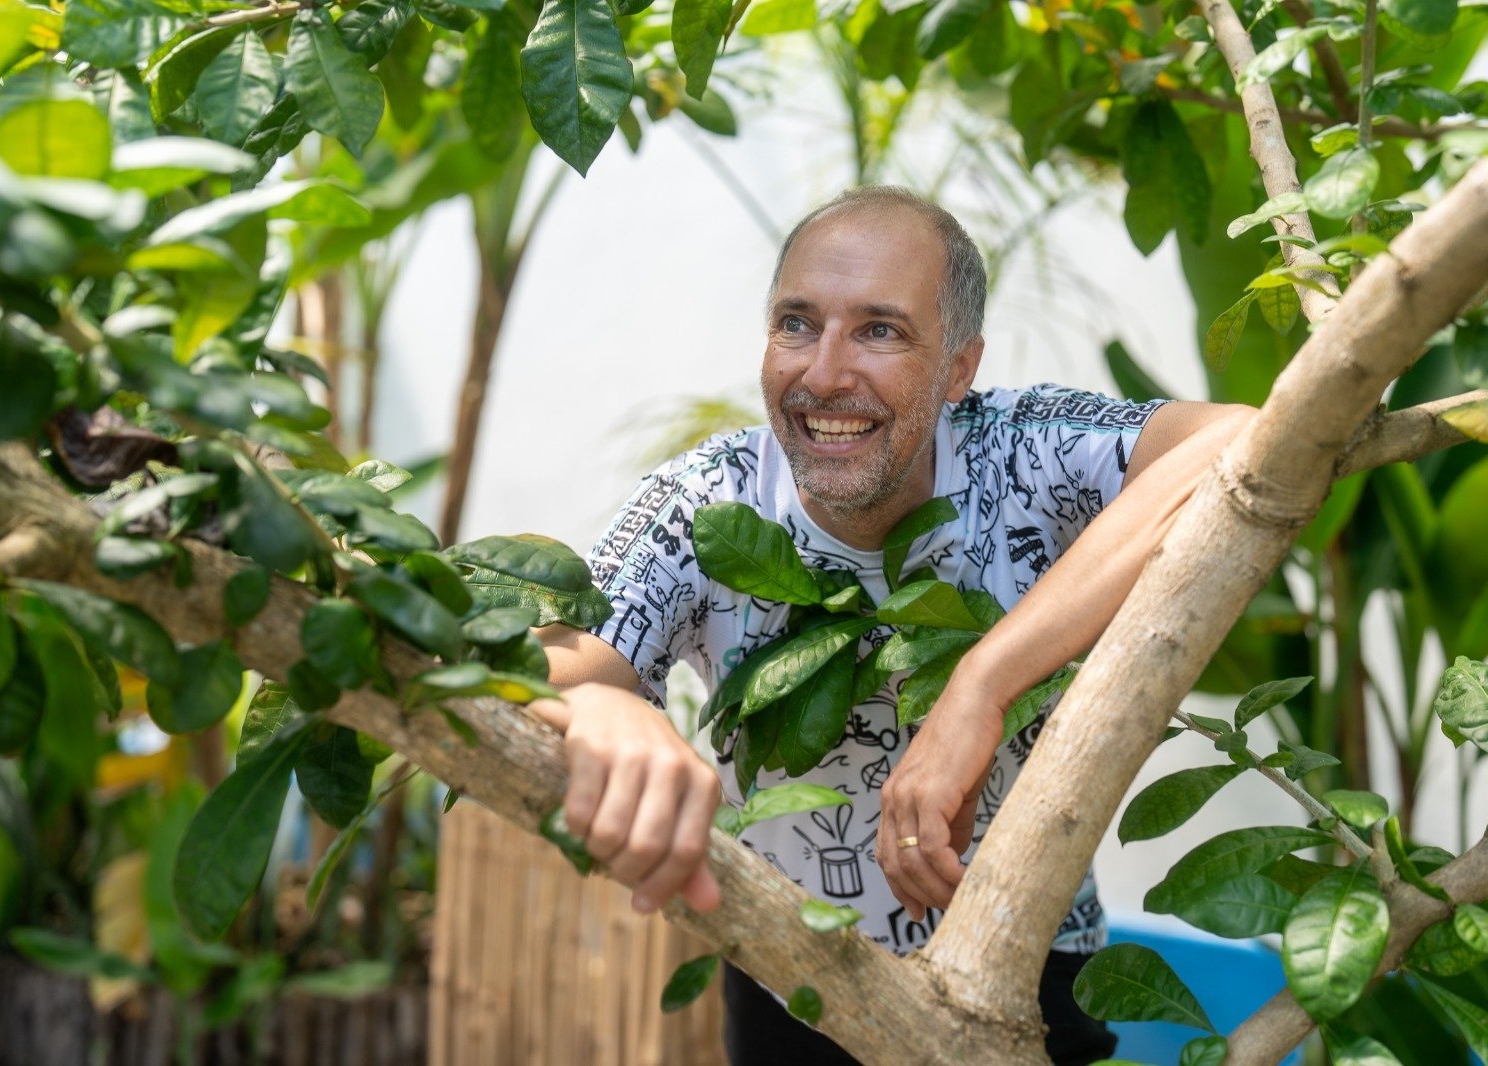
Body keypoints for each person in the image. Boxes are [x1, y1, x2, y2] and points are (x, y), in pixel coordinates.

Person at [530, 186, 1252, 1065]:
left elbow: (1244, 439)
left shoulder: (1022, 450)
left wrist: (980, 688)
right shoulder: (710, 498)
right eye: (797, 324)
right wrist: (610, 707)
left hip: (1034, 965)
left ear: (958, 367)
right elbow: (552, 662)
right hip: (794, 973)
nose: (825, 373)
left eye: (879, 330)